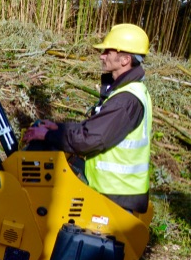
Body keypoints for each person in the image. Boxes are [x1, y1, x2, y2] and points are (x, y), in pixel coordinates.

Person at [22, 23, 153, 214]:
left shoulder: (125, 100)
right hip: (116, 190)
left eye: (108, 51)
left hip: (115, 195)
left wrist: (47, 136)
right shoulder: (127, 91)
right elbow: (96, 128)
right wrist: (57, 128)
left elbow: (90, 139)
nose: (102, 55)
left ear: (125, 59)